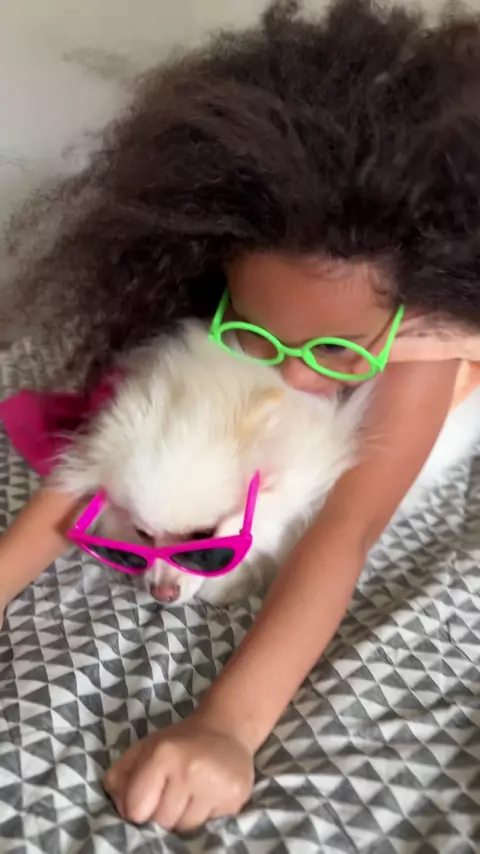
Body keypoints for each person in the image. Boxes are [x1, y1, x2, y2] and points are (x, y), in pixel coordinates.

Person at [2, 0, 480, 832]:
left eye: (335, 351)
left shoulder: (417, 359)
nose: (292, 372)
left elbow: (345, 533)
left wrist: (226, 727)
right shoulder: (228, 293)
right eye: (258, 332)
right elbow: (93, 465)